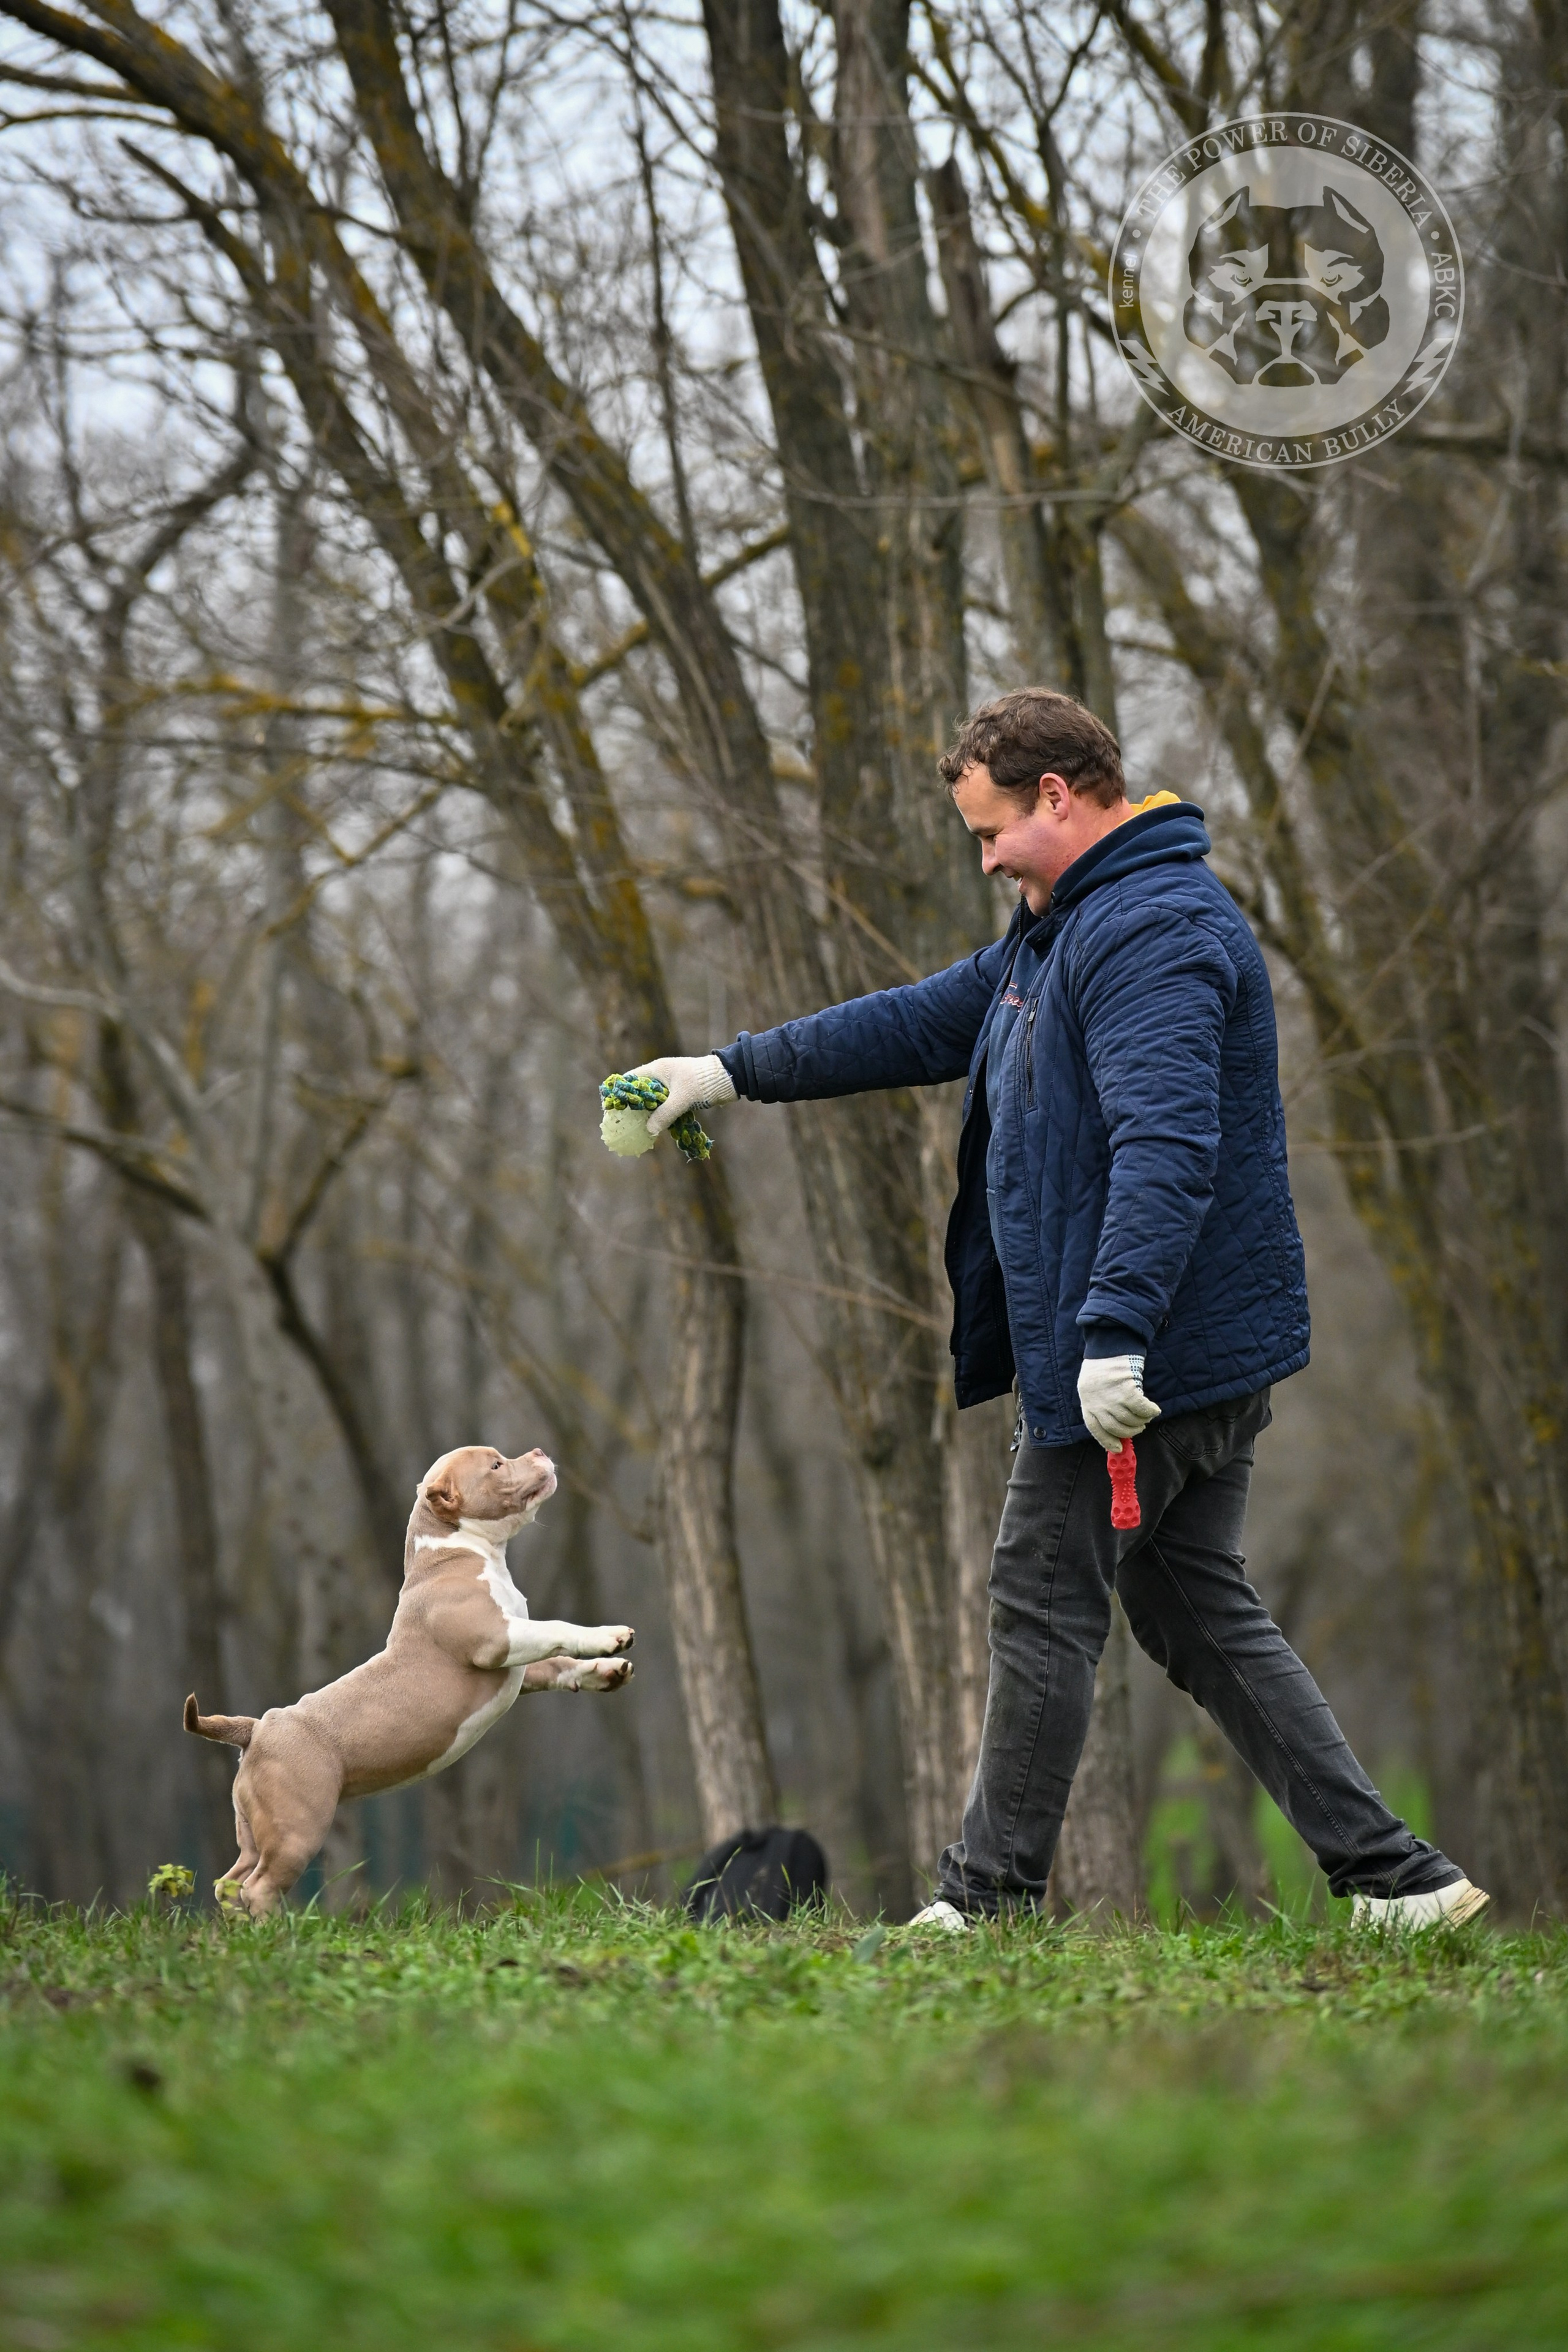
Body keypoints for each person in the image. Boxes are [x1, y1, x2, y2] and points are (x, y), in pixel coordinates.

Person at [630, 688, 1487, 1931]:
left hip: (1146, 1356)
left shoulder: (1150, 930)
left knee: (1038, 1596)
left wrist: (1110, 1334)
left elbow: (1166, 1144)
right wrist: (723, 1072)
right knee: (1192, 1610)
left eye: (989, 834)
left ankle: (981, 1907)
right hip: (1161, 1344)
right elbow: (922, 1018)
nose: (981, 859)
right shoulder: (1060, 927)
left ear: (1057, 797)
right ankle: (1395, 1882)